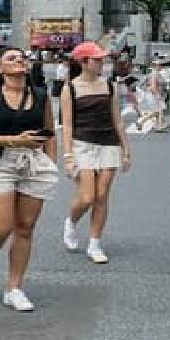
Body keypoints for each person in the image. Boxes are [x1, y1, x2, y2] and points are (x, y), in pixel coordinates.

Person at [0, 47, 58, 313]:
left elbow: (50, 132)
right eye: (11, 58)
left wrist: (50, 161)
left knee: (25, 227)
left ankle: (14, 288)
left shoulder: (40, 96)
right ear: (0, 69)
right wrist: (12, 140)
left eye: (22, 58)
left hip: (34, 163)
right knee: (0, 227)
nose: (19, 60)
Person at [60, 42, 132, 264]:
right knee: (87, 196)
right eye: (97, 59)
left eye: (103, 59)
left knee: (102, 197)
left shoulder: (109, 86)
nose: (102, 63)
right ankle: (71, 222)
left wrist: (126, 150)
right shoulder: (70, 88)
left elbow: (117, 120)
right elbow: (68, 126)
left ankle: (95, 243)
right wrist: (68, 156)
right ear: (83, 62)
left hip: (108, 143)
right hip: (83, 144)